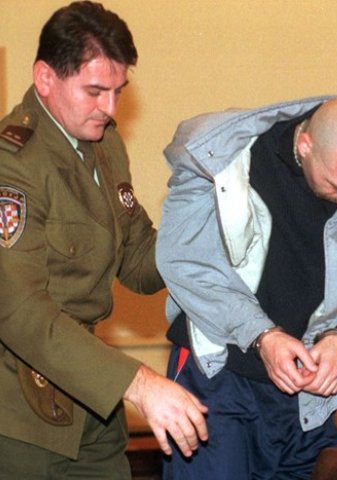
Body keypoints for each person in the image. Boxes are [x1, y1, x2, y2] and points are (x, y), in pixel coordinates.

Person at [156, 95, 337, 478]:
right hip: (219, 378)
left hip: (308, 397)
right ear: (305, 145)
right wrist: (262, 335)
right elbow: (186, 262)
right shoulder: (216, 152)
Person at [0, 2, 208, 477]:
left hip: (93, 401)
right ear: (45, 78)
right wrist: (139, 383)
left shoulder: (104, 145)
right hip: (21, 414)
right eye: (94, 91)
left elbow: (138, 262)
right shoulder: (13, 164)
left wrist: (211, 224)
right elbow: (19, 311)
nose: (110, 109)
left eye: (118, 92)